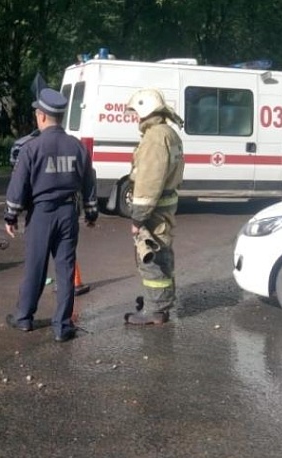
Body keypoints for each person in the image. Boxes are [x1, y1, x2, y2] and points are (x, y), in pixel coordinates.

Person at [4, 88, 98, 342]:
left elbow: (18, 186)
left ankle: (24, 318)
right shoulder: (77, 147)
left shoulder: (31, 148)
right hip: (69, 213)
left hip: (41, 214)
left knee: (35, 266)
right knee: (65, 268)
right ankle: (63, 326)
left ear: (41, 116)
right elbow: (89, 182)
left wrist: (11, 216)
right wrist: (91, 213)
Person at [122, 88, 185, 325]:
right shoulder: (169, 133)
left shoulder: (155, 137)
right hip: (165, 205)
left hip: (154, 210)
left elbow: (149, 181)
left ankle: (155, 310)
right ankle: (159, 301)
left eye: (136, 113)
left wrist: (137, 219)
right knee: (163, 253)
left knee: (151, 256)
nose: (136, 118)